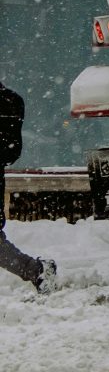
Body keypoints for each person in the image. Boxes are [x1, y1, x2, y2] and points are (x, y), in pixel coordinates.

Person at [1, 77, 58, 293]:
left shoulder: (8, 102)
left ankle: (37, 269)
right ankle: (36, 269)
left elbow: (9, 151)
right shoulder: (10, 101)